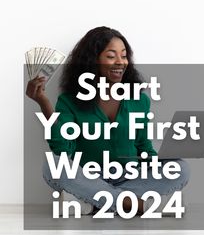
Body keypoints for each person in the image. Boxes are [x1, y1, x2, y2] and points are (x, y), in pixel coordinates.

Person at [26, 26, 190, 215]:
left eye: (124, 55)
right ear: (93, 61)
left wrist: (161, 161)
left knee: (181, 168)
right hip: (89, 176)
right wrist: (44, 104)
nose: (120, 62)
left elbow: (143, 145)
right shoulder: (69, 101)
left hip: (130, 177)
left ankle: (94, 201)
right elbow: (63, 150)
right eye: (111, 56)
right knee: (54, 165)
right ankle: (134, 205)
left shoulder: (139, 100)